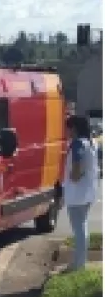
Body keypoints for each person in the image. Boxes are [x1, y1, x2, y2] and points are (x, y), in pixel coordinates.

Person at [62, 114, 98, 271]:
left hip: (78, 194)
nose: (67, 131)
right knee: (82, 227)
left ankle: (79, 264)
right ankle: (79, 262)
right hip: (88, 192)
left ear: (74, 128)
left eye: (68, 128)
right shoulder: (91, 142)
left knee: (79, 229)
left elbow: (77, 165)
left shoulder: (78, 144)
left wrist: (75, 175)